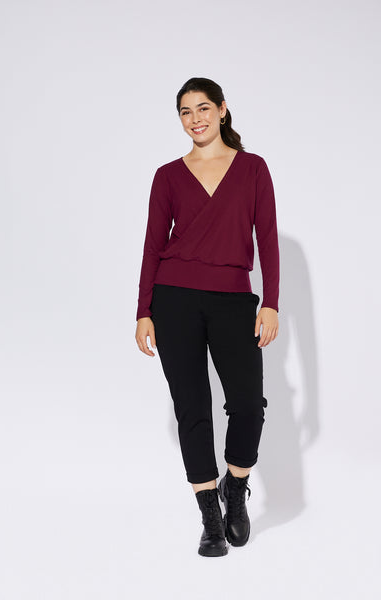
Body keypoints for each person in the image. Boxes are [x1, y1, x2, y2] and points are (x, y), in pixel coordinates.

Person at [135, 77, 280, 557]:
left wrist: (271, 302)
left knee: (248, 404)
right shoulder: (168, 176)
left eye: (202, 108)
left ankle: (234, 487)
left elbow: (267, 238)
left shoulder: (253, 168)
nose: (194, 119)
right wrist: (143, 311)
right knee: (191, 406)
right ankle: (210, 518)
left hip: (233, 299)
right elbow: (153, 245)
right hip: (173, 299)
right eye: (185, 112)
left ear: (221, 110)